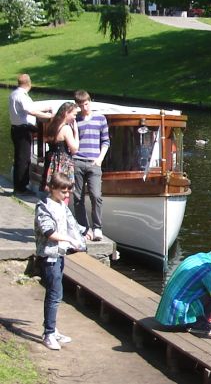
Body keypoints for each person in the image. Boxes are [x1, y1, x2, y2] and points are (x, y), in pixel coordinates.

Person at [34, 172, 88, 350]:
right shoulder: (44, 207)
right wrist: (69, 240)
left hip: (59, 255)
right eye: (63, 192)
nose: (66, 195)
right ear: (52, 189)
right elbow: (48, 232)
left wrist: (82, 234)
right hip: (49, 256)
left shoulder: (61, 206)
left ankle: (52, 329)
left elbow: (71, 224)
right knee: (54, 294)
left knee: (58, 293)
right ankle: (48, 333)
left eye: (68, 192)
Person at [155, 240, 211, 334]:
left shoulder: (199, 257)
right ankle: (197, 324)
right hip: (176, 322)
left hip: (165, 316)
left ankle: (199, 320)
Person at [72, 90, 110, 241]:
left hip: (94, 162)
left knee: (96, 195)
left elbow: (106, 141)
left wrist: (100, 159)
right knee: (78, 197)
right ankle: (83, 227)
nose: (84, 108)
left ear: (90, 102)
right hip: (78, 161)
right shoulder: (75, 120)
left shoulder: (100, 119)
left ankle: (97, 227)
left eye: (86, 104)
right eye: (81, 105)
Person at [8, 74, 52, 193]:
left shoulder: (14, 94)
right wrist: (47, 115)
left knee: (19, 158)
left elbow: (30, 107)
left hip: (16, 129)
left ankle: (19, 185)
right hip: (22, 130)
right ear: (29, 84)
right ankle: (21, 187)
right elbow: (30, 110)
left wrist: (45, 107)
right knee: (23, 159)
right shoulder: (21, 96)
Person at [39, 103, 79, 195]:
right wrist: (76, 132)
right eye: (74, 114)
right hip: (62, 161)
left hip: (51, 158)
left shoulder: (51, 125)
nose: (75, 117)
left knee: (52, 189)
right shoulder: (66, 128)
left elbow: (45, 140)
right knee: (62, 189)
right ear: (66, 113)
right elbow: (74, 149)